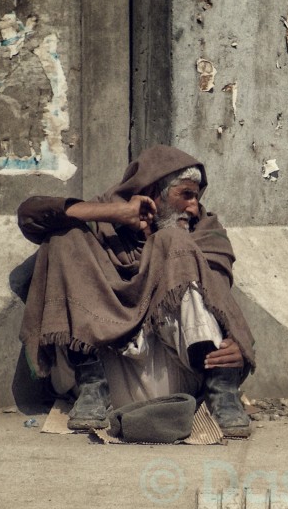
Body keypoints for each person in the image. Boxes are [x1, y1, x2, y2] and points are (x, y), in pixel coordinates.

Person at [16, 145, 255, 436]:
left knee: (173, 242)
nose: (194, 207)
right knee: (64, 237)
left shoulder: (204, 230)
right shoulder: (103, 225)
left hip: (175, 376)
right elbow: (30, 214)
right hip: (99, 383)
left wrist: (234, 346)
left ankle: (223, 391)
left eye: (197, 196)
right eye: (186, 195)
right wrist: (114, 212)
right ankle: (92, 386)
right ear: (153, 192)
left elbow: (219, 298)